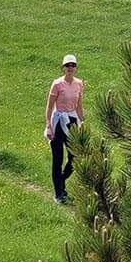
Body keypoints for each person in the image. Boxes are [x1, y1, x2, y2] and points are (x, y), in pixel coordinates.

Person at [44, 53, 85, 204]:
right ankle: (58, 193)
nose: (70, 68)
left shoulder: (79, 84)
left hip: (72, 120)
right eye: (67, 65)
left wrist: (82, 122)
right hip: (58, 121)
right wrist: (49, 126)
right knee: (58, 158)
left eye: (73, 65)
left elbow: (79, 106)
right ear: (63, 68)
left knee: (75, 156)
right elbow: (49, 107)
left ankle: (61, 179)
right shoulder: (57, 84)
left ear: (76, 68)